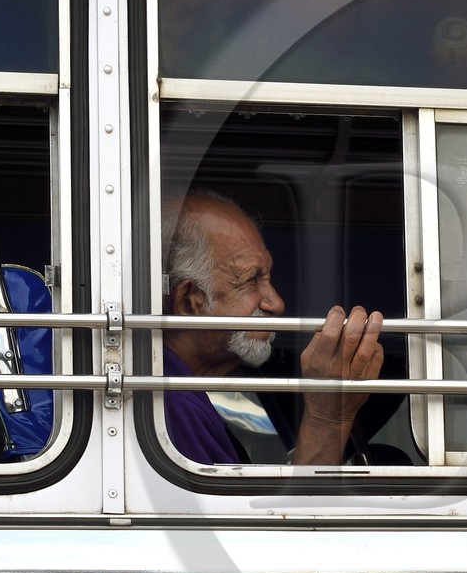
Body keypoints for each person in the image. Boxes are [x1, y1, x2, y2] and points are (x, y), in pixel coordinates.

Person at [162, 189, 384, 465]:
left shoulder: (175, 393)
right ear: (189, 300)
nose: (277, 303)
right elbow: (300, 497)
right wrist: (328, 416)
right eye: (251, 280)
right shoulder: (173, 405)